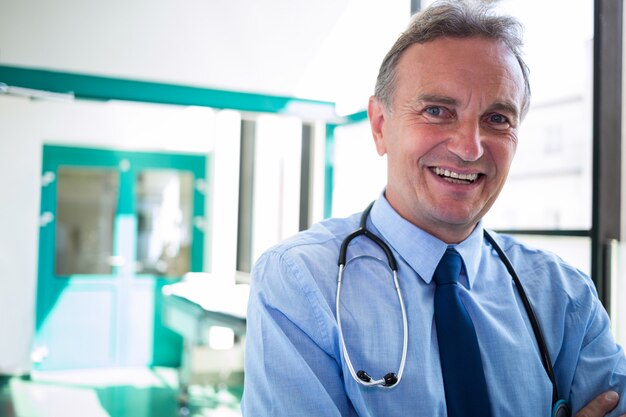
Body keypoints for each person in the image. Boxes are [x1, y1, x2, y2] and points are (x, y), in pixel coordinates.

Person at [241, 1, 626, 416]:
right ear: (380, 125)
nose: (469, 147)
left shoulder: (564, 295)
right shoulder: (300, 282)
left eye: (497, 119)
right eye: (437, 111)